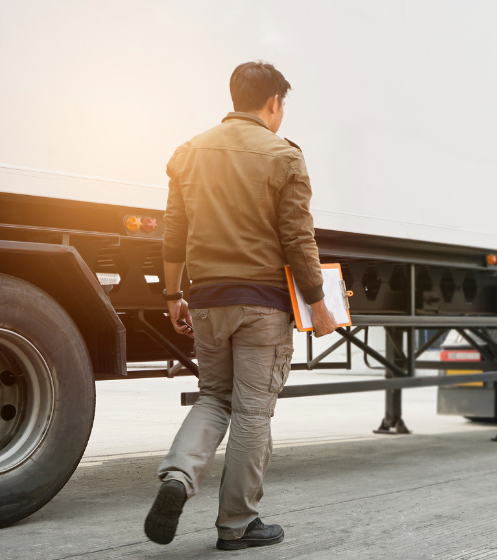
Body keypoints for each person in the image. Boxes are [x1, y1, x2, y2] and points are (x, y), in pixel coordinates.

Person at [143, 61, 337, 551]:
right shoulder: (284, 156)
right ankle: (236, 525)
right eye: (282, 106)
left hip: (206, 300)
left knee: (213, 397)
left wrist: (172, 295)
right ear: (273, 103)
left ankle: (179, 477)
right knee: (252, 413)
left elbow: (174, 234)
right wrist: (318, 304)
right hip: (261, 307)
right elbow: (298, 239)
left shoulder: (188, 153)